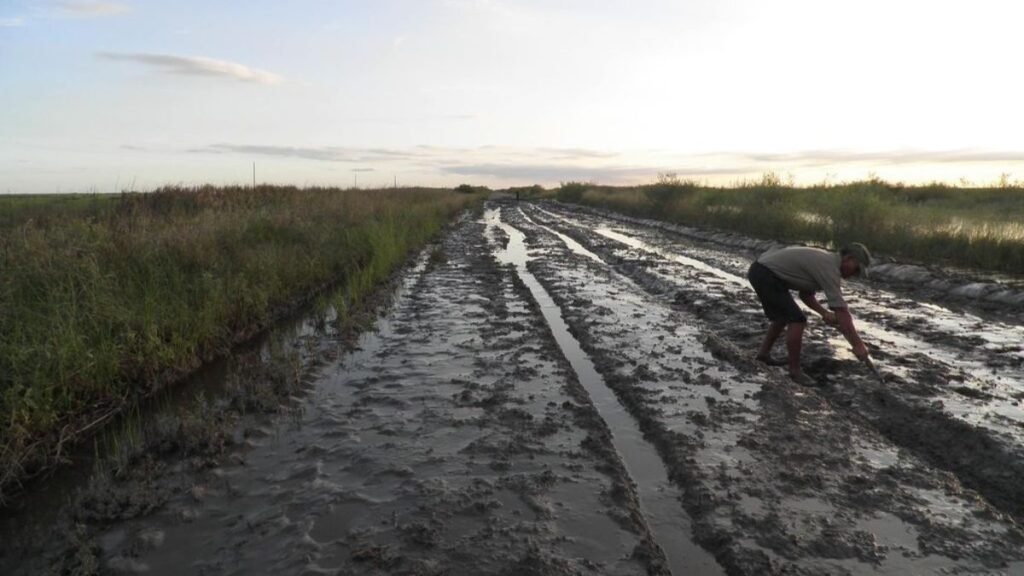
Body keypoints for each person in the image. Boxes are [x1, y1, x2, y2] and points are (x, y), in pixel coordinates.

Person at [746, 243, 872, 385]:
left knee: (783, 317)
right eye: (856, 269)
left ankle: (763, 355)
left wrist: (824, 313)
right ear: (848, 258)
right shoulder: (830, 267)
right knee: (797, 320)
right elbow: (842, 311)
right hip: (766, 274)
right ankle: (795, 372)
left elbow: (806, 295)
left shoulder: (825, 261)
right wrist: (858, 345)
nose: (855, 275)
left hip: (762, 271)